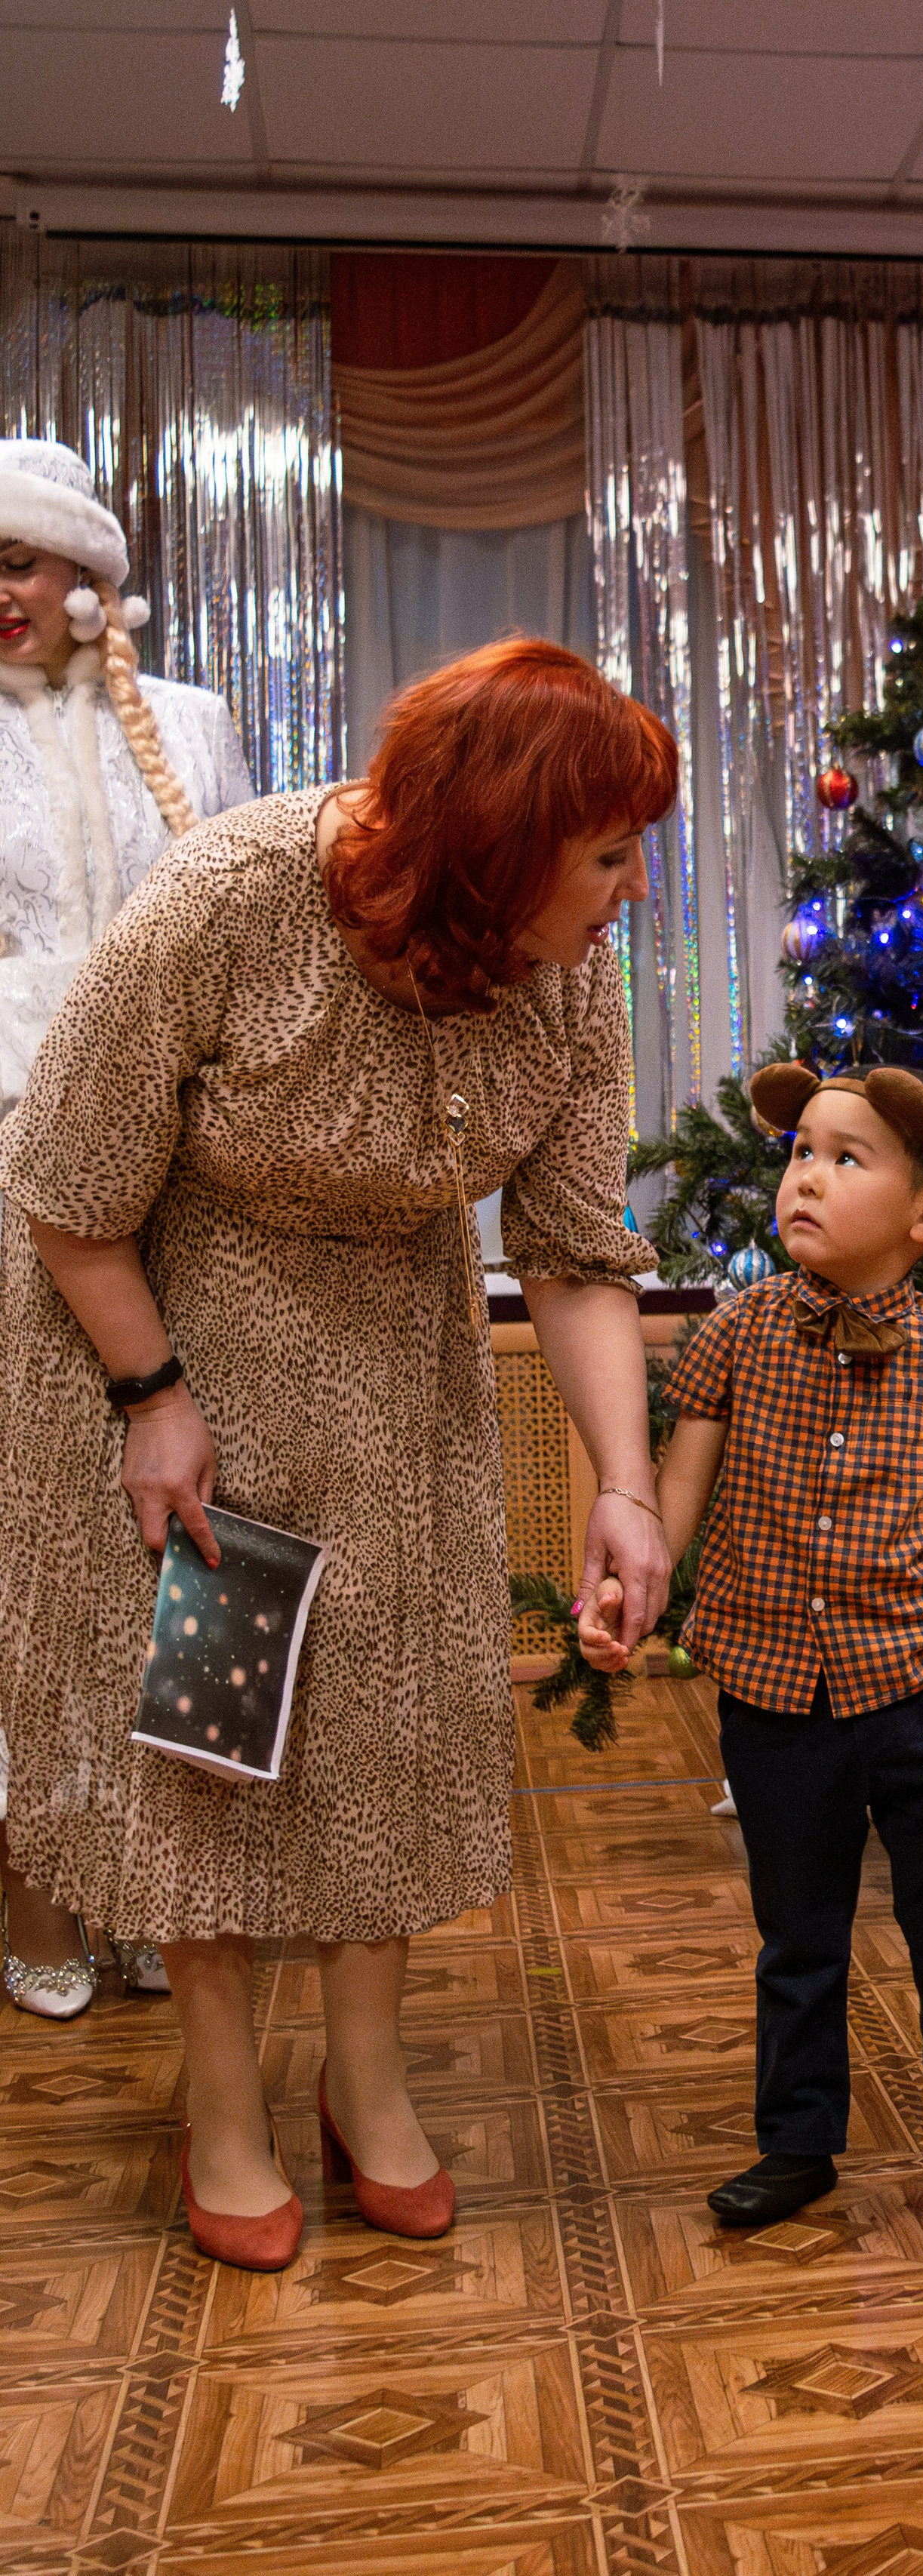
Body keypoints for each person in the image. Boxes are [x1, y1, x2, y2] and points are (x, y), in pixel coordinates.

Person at [0, 636, 675, 2267]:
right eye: (602, 852)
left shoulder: (566, 968)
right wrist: (153, 1398)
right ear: (495, 844)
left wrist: (622, 1486)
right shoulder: (229, 899)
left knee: (385, 1722)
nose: (630, 886)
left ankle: (368, 2083)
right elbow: (65, 1194)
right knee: (216, 1742)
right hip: (174, 1346)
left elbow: (579, 1251)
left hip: (397, 1366)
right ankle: (223, 2106)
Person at [581, 1061, 923, 2230]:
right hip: (779, 1694)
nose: (807, 1178)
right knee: (799, 1940)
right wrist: (631, 1595)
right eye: (800, 1154)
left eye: (847, 1158)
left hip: (922, 1687)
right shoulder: (736, 1334)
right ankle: (797, 2142)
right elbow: (674, 1495)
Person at [0, 438, 255, 2017]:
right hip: (16, 1194)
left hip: (185, 1196)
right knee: (30, 1548)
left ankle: (175, 1894)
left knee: (182, 1542)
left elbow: (242, 952)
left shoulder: (198, 732)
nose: (4, 595)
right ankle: (39, 1898)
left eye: (24, 561)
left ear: (91, 579)